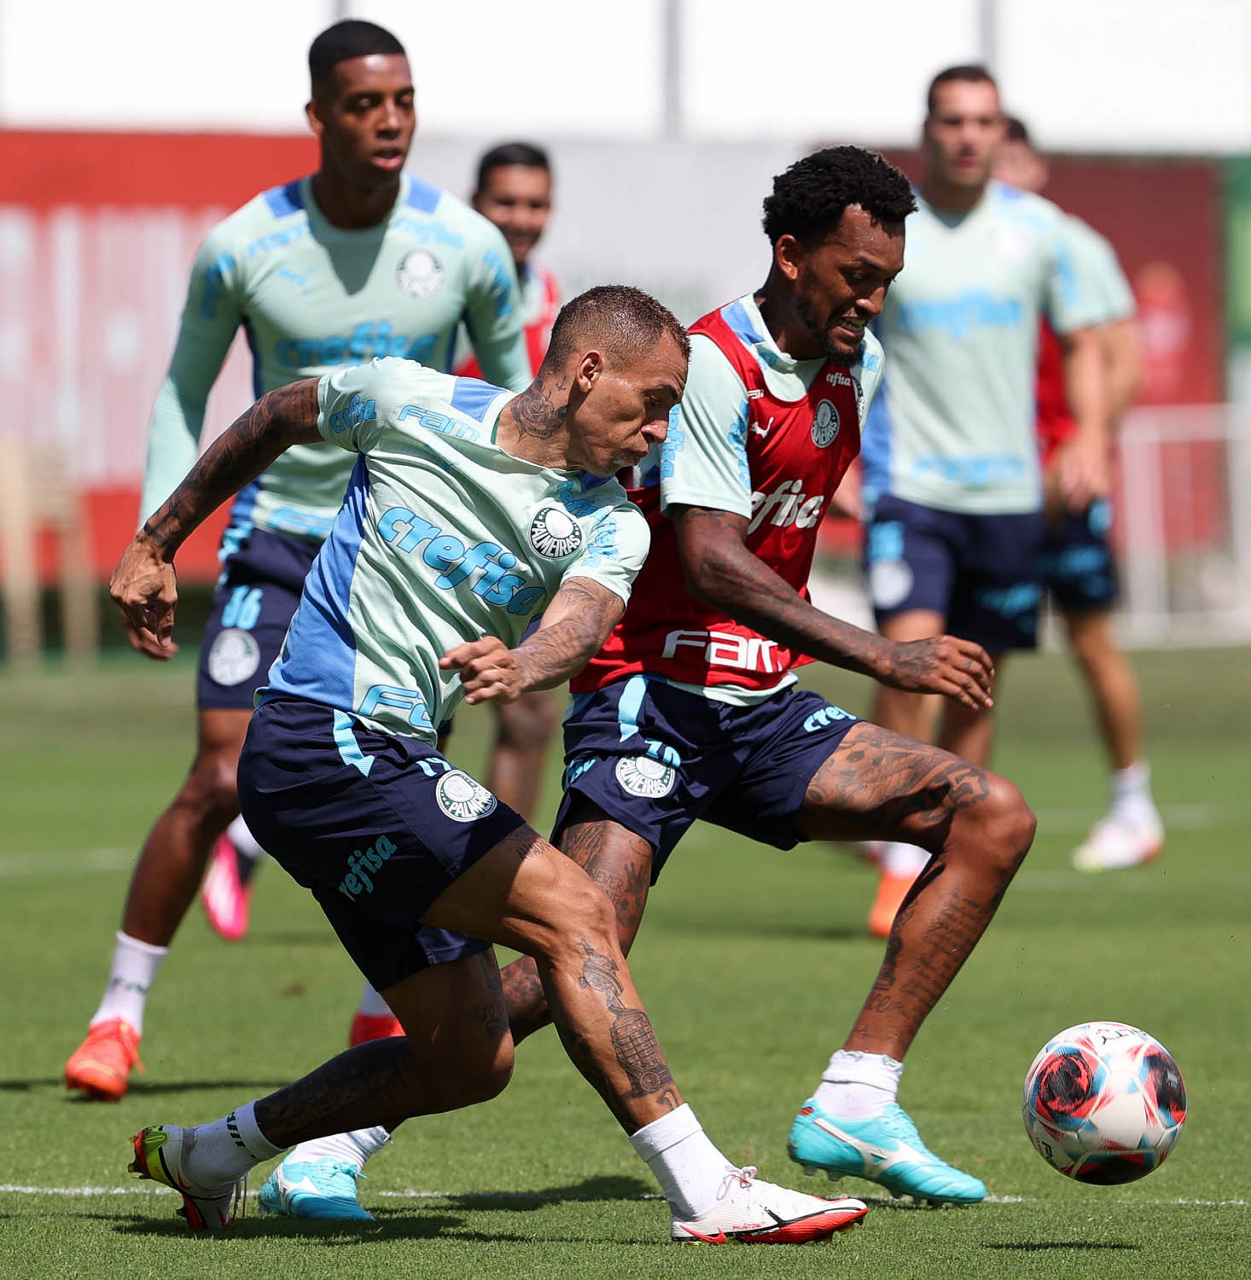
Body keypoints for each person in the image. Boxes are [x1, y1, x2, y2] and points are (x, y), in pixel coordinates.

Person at [262, 146, 1037, 1220]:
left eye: (886, 279)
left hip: (761, 708)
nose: (872, 297)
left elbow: (776, 526)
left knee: (990, 814)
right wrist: (886, 654)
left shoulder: (854, 365)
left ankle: (859, 1096)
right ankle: (333, 1140)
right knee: (574, 949)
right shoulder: (709, 365)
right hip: (650, 701)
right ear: (791, 255)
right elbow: (712, 561)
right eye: (856, 274)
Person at [119, 285, 869, 1246]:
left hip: (377, 769)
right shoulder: (407, 400)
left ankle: (212, 1153)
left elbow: (581, 623)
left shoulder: (614, 521)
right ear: (586, 372)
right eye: (652, 404)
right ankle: (707, 1190)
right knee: (578, 913)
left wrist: (527, 662)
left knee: (467, 1060)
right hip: (321, 739)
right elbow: (276, 414)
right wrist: (155, 543)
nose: (658, 433)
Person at [64, 18, 531, 1104]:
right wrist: (154, 539)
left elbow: (515, 407)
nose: (390, 121)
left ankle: (380, 1014)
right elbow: (183, 392)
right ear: (318, 115)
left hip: (410, 566)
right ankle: (118, 1013)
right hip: (277, 541)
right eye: (365, 104)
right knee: (219, 774)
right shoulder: (244, 245)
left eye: (404, 101)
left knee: (405, 794)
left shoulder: (467, 247)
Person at [858, 65, 1110, 934]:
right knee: (906, 660)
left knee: (971, 686)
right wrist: (839, 456)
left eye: (982, 121)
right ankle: (894, 856)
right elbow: (843, 343)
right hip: (911, 488)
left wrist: (1088, 435)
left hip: (1008, 496)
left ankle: (946, 849)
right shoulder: (891, 230)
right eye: (952, 121)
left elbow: (1083, 341)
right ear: (926, 131)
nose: (968, 136)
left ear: (1001, 132)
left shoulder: (1040, 232)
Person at [993, 117, 1163, 872]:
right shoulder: (958, 247)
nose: (999, 169)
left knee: (1092, 642)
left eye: (1011, 155)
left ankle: (1134, 806)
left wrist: (1082, 449)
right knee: (975, 652)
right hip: (991, 485)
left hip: (1066, 486)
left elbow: (1124, 364)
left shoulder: (1073, 245)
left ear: (1035, 165)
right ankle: (936, 812)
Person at [454, 141, 563, 828]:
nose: (521, 218)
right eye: (506, 202)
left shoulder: (545, 290)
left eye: (536, 204)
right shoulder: (446, 292)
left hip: (508, 530)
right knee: (418, 720)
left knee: (528, 714)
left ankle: (499, 873)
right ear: (475, 205)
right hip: (435, 525)